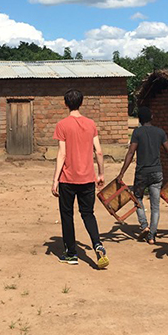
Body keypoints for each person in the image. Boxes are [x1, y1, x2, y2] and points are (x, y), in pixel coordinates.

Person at [52, 89, 109, 269]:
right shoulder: (91, 124)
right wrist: (100, 173)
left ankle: (71, 254)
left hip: (68, 179)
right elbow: (98, 151)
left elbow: (62, 154)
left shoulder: (62, 125)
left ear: (66, 103)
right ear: (81, 103)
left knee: (67, 215)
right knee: (88, 213)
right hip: (87, 178)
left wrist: (55, 180)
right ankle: (97, 244)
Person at [116, 106, 168, 244]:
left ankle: (144, 226)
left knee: (137, 198)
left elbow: (131, 153)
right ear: (151, 117)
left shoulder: (137, 133)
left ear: (139, 119)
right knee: (155, 206)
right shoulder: (160, 132)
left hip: (141, 173)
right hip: (157, 173)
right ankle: (152, 236)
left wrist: (121, 173)